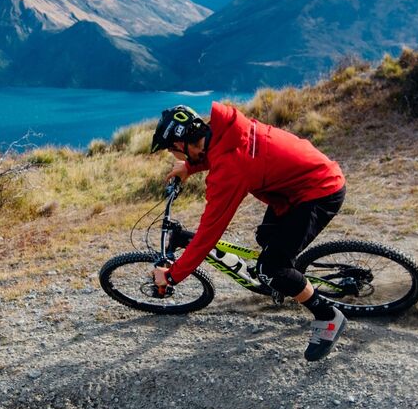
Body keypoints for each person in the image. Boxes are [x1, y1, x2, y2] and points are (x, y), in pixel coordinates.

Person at [149, 103, 348, 361]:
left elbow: (209, 233)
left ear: (180, 144)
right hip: (298, 186)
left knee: (271, 269)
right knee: (265, 238)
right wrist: (191, 167)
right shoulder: (227, 130)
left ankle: (328, 316)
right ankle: (289, 280)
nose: (173, 154)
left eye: (171, 150)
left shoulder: (230, 170)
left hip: (319, 192)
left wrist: (173, 276)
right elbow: (221, 151)